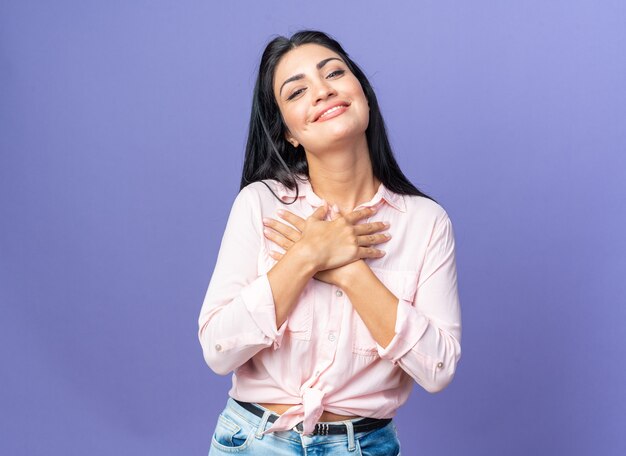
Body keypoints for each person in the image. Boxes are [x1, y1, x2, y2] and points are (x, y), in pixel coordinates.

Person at [198, 30, 462, 455]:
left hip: (364, 445)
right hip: (253, 442)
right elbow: (218, 351)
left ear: (364, 95)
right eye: (297, 91)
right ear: (288, 133)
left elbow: (438, 368)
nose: (322, 92)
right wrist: (306, 254)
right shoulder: (260, 205)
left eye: (334, 73)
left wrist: (348, 271)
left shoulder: (426, 223)